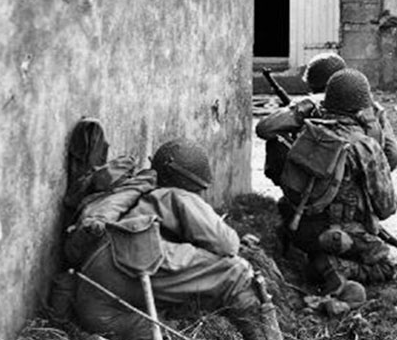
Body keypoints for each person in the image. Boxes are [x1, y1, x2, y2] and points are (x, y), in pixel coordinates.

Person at [66, 139, 283, 340]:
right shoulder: (173, 195)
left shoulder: (133, 195)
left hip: (96, 308)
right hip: (127, 265)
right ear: (188, 182)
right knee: (235, 274)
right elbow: (227, 245)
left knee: (158, 330)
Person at [277, 69, 397, 303]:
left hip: (299, 225)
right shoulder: (365, 146)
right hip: (337, 234)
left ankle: (313, 258)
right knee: (385, 263)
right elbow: (386, 207)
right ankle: (336, 267)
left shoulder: (308, 130)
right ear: (362, 107)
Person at [256, 53, 397, 183]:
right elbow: (392, 157)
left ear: (312, 83)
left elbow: (264, 129)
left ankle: (293, 193)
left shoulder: (311, 104)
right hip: (366, 187)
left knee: (276, 141)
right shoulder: (372, 107)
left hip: (319, 188)